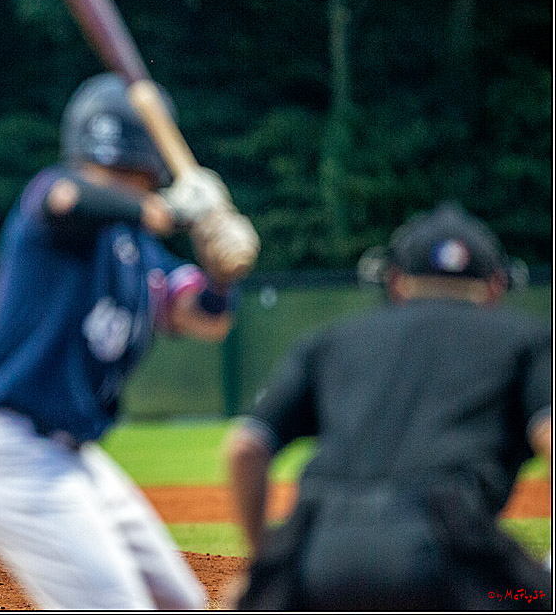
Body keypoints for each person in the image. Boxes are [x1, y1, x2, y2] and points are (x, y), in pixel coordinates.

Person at [0, 73, 259, 609]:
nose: (103, 178)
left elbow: (204, 316)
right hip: (8, 454)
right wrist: (174, 212)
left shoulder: (132, 248)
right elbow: (69, 196)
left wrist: (222, 271)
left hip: (71, 456)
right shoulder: (54, 206)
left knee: (184, 603)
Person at [228, 202, 552, 610]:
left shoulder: (329, 340)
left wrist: (264, 566)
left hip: (316, 549)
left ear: (396, 282)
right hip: (447, 550)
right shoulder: (527, 339)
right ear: (495, 286)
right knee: (526, 595)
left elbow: (245, 447)